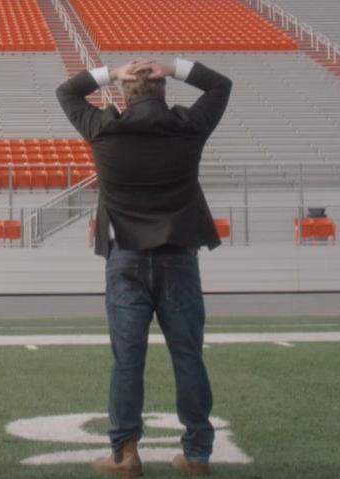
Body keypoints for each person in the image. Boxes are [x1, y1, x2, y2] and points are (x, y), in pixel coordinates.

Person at [57, 57, 233, 478]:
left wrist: (112, 72)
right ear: (162, 92)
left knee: (127, 361)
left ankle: (125, 455)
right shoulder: (188, 128)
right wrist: (173, 66)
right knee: (188, 356)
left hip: (126, 261)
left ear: (123, 94)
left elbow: (67, 91)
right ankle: (196, 454)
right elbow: (220, 86)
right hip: (178, 258)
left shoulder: (103, 129)